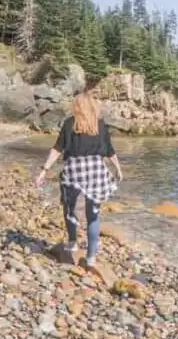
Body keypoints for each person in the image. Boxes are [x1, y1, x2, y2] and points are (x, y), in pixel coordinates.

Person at [36, 90, 122, 273]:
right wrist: (117, 168)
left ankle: (72, 242)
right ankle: (91, 258)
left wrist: (44, 170)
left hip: (74, 170)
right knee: (93, 215)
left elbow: (57, 149)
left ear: (77, 107)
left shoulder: (69, 124)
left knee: (69, 206)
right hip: (96, 169)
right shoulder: (100, 125)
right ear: (93, 106)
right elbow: (109, 150)